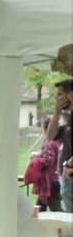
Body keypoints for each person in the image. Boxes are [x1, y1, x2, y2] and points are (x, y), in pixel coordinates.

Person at [49, 79, 73, 212]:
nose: (57, 98)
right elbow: (50, 136)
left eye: (60, 94)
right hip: (67, 177)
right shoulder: (69, 117)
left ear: (70, 94)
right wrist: (56, 112)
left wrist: (69, 164)